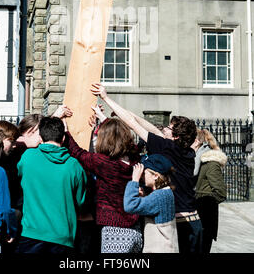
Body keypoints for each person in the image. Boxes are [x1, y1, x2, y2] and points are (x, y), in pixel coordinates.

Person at [91, 83, 203, 254]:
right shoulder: (186, 152)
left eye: (169, 128)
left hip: (180, 226)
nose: (164, 128)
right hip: (195, 222)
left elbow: (134, 126)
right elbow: (148, 127)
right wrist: (127, 114)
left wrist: (106, 98)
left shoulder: (168, 148)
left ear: (176, 137)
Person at [60, 108, 143, 254]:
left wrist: (66, 131)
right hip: (135, 228)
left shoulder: (105, 163)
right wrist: (103, 118)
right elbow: (119, 135)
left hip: (114, 232)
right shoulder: (134, 158)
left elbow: (78, 153)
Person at [16, 116, 87, 254]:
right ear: (63, 139)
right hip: (63, 236)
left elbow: (19, 176)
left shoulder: (28, 157)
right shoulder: (74, 166)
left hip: (32, 233)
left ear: (40, 138)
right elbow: (80, 202)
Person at [124, 154, 179, 253]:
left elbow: (130, 206)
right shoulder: (166, 192)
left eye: (144, 173)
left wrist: (134, 180)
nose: (142, 177)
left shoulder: (158, 196)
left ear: (155, 176)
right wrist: (144, 197)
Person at [195, 129, 227, 254]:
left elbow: (220, 192)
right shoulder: (196, 161)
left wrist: (203, 203)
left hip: (205, 219)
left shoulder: (211, 163)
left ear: (198, 142)